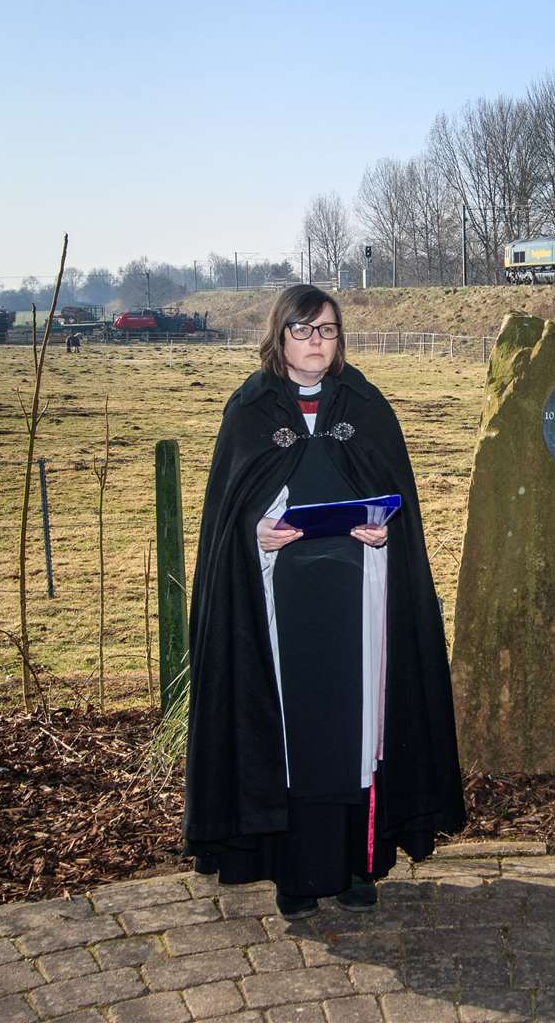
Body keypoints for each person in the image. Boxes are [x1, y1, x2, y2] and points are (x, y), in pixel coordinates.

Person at [184, 284, 464, 919]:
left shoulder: (364, 406)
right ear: (279, 336)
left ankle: (357, 866)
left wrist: (381, 528)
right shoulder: (250, 410)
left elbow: (397, 504)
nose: (317, 342)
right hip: (279, 606)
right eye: (304, 330)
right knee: (294, 731)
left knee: (357, 730)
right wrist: (257, 530)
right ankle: (294, 873)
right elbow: (229, 519)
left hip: (357, 599)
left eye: (328, 331)